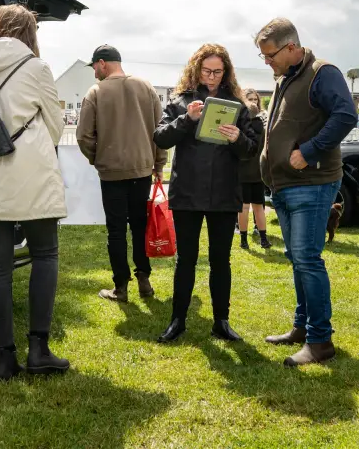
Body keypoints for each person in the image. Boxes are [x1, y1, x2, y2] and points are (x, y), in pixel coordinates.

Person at [0, 4, 69, 381]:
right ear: (31, 33)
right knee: (45, 255)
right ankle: (39, 349)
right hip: (30, 173)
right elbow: (54, 125)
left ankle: (5, 358)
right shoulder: (35, 68)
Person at [255, 17, 357, 367]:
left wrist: (308, 151)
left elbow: (345, 116)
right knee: (298, 260)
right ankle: (302, 328)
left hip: (311, 184)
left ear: (292, 47)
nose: (267, 62)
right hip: (285, 186)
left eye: (270, 55)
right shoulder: (287, 77)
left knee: (308, 260)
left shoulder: (322, 73)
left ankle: (320, 341)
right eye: (263, 57)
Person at [153, 43, 258, 344]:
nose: (211, 77)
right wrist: (186, 119)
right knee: (186, 260)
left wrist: (238, 138)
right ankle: (178, 319)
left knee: (220, 260)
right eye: (207, 71)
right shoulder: (181, 101)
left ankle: (221, 321)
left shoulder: (237, 104)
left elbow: (251, 150)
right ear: (196, 69)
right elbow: (160, 137)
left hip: (224, 193)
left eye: (218, 72)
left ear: (226, 73)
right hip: (188, 191)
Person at [76, 44, 167, 303]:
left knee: (115, 230)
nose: (94, 71)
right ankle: (144, 280)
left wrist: (97, 157)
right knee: (140, 227)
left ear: (103, 63)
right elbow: (160, 130)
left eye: (94, 66)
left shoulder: (95, 92)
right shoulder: (146, 87)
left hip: (111, 172)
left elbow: (83, 136)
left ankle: (121, 287)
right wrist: (159, 164)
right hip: (142, 169)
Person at [238, 89, 271, 250]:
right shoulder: (264, 128)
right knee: (259, 207)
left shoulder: (241, 128)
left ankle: (243, 240)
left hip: (243, 172)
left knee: (244, 207)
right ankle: (264, 238)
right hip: (258, 172)